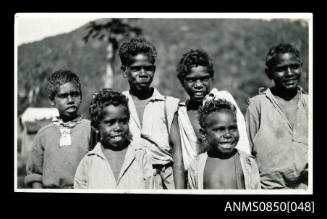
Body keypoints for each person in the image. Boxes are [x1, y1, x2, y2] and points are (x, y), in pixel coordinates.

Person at [171, 49, 251, 188]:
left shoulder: (223, 99)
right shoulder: (180, 113)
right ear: (182, 82)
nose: (198, 85)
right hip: (197, 181)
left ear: (211, 78)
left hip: (232, 175)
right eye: (191, 80)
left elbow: (242, 142)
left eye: (204, 78)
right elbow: (184, 159)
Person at [118, 38, 180, 189]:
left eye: (148, 68)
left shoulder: (168, 105)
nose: (143, 73)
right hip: (130, 180)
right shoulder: (117, 104)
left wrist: (180, 191)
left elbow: (178, 152)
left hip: (164, 181)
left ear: (154, 69)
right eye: (136, 68)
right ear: (124, 71)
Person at [245, 43, 308, 189]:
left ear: (301, 67)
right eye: (281, 69)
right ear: (269, 73)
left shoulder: (308, 103)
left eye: (294, 66)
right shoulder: (257, 105)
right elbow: (247, 154)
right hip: (269, 189)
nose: (289, 73)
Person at [74, 89, 153, 189]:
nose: (118, 128)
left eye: (123, 121)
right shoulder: (87, 163)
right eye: (110, 123)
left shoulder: (142, 156)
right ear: (96, 127)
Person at [24, 70, 90, 188]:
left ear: (81, 96)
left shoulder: (90, 129)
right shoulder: (43, 134)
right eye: (63, 96)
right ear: (52, 100)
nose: (70, 100)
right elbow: (35, 174)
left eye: (74, 94)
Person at [188, 99, 261, 189]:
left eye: (233, 128)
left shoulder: (247, 163)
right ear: (204, 134)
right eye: (220, 129)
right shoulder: (196, 166)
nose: (227, 134)